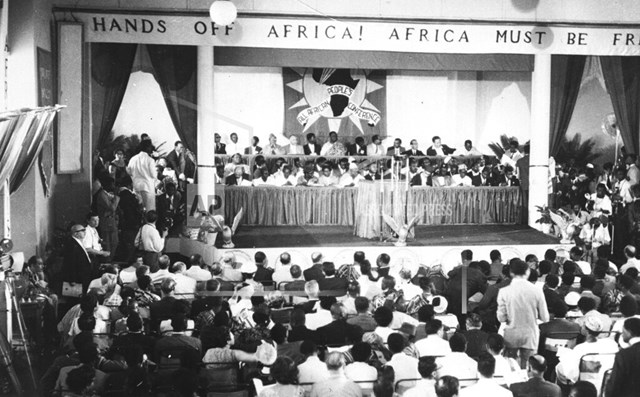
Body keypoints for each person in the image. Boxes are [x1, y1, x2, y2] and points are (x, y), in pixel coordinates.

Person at [497, 259, 549, 367]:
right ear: (528, 272)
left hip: (512, 334)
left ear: (511, 273)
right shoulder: (537, 290)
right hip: (530, 334)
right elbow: (545, 318)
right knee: (528, 367)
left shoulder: (504, 291)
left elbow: (501, 318)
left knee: (512, 366)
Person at [605, 317, 640, 397]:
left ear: (629, 332)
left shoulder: (624, 354)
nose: (622, 334)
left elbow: (615, 383)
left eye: (623, 331)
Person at [127, 139, 157, 211]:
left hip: (136, 187)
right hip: (148, 188)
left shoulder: (132, 159)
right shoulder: (150, 160)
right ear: (147, 148)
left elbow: (129, 172)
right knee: (149, 211)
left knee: (138, 210)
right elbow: (154, 175)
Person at [63, 224, 93, 293]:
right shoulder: (72, 245)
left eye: (84, 230)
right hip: (77, 278)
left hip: (82, 275)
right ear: (75, 234)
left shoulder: (78, 242)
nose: (85, 232)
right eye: (82, 230)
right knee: (75, 297)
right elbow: (71, 262)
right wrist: (72, 279)